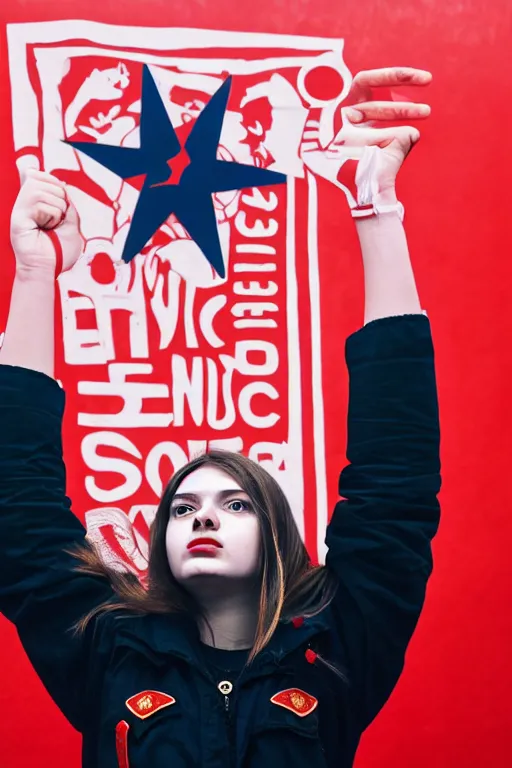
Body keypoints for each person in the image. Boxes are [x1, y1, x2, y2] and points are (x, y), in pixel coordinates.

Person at [0, 66, 441, 768]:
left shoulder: (340, 647)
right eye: (183, 507)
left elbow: (398, 481)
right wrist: (34, 276)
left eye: (235, 503)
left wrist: (376, 210)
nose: (201, 518)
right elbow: (17, 508)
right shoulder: (107, 651)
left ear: (278, 533)